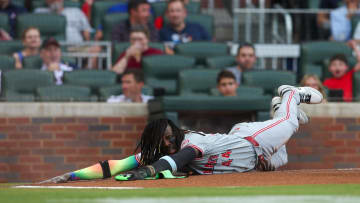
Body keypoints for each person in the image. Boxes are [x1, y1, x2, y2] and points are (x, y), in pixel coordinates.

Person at [40, 85, 323, 183]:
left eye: (169, 135)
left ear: (175, 132)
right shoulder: (164, 153)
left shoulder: (188, 142)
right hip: (256, 160)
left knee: (288, 124)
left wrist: (147, 173)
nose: (168, 141)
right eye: (162, 140)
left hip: (253, 140)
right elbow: (117, 165)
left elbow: (179, 160)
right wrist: (72, 175)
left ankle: (289, 95)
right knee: (280, 158)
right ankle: (281, 111)